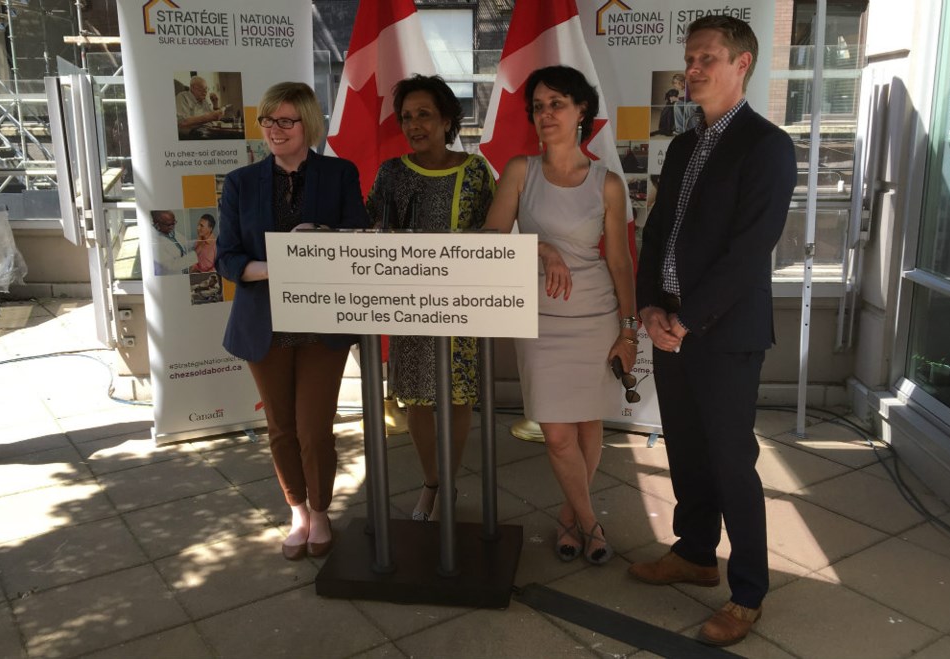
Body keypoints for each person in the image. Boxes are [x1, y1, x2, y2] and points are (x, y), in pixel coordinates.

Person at [628, 16, 797, 646]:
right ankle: (696, 553)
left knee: (732, 462)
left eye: (706, 59)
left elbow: (750, 250)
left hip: (723, 333)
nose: (691, 70)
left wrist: (687, 320)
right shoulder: (681, 145)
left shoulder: (767, 146)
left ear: (742, 63)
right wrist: (649, 308)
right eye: (689, 58)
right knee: (686, 452)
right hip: (671, 324)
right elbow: (656, 235)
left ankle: (748, 592)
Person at [483, 66, 636, 565]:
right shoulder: (519, 171)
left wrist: (629, 330)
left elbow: (619, 261)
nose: (545, 114)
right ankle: (592, 523)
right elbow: (491, 240)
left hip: (596, 316)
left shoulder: (607, 183)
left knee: (589, 424)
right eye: (538, 105)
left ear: (581, 111)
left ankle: (571, 519)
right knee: (556, 432)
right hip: (540, 318)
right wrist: (541, 247)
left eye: (557, 103)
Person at [216, 82, 370, 560]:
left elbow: (358, 238)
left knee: (314, 427)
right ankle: (297, 511)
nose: (275, 130)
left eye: (286, 120)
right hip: (265, 325)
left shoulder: (339, 173)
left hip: (322, 325)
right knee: (281, 427)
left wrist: (321, 237)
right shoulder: (241, 182)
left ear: (308, 123)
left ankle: (321, 509)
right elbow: (226, 259)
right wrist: (278, 266)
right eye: (268, 120)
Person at [365, 74, 496, 522]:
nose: (415, 125)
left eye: (424, 115)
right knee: (416, 398)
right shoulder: (391, 173)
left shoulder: (476, 171)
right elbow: (373, 235)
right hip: (409, 306)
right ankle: (432, 483)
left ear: (446, 119)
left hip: (461, 308)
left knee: (457, 397)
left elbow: (493, 239)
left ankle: (450, 482)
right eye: (407, 117)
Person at [151, 210, 197, 276]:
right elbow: (172, 266)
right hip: (170, 278)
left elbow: (184, 244)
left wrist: (197, 242)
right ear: (157, 224)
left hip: (184, 272)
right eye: (169, 224)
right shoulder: (153, 243)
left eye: (174, 223)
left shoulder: (169, 230)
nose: (172, 227)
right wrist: (196, 254)